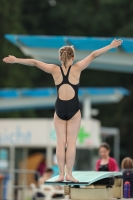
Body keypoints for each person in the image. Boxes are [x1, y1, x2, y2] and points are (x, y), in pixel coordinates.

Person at [3, 38, 122, 182]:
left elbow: (34, 62)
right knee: (71, 143)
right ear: (72, 57)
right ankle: (69, 174)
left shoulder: (54, 69)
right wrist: (110, 45)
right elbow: (93, 55)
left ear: (60, 58)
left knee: (60, 143)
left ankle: (60, 175)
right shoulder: (77, 68)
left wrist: (16, 60)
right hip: (73, 109)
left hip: (59, 109)